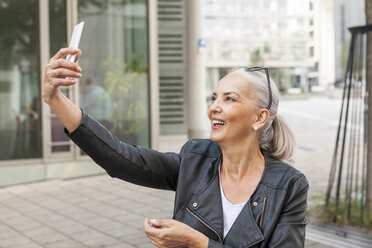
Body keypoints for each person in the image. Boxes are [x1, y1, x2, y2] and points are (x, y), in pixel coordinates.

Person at [42, 48, 308, 247]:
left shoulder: (289, 185)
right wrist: (54, 100)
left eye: (230, 99)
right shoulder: (195, 159)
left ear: (259, 118)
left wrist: (197, 242)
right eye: (214, 97)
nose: (214, 106)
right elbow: (120, 157)